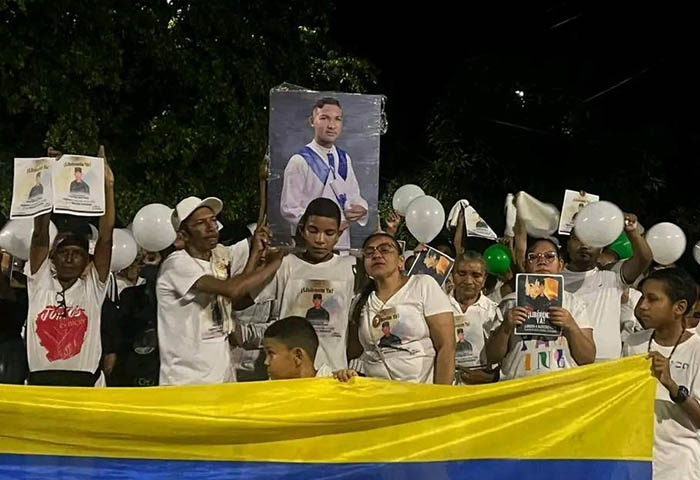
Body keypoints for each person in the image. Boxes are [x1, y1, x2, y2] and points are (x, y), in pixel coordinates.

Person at [156, 196, 282, 385]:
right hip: (187, 381)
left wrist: (255, 253)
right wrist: (275, 263)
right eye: (200, 223)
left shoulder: (215, 261)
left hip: (222, 375)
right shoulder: (177, 264)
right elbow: (233, 289)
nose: (211, 227)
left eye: (213, 220)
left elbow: (235, 299)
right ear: (183, 235)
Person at [25, 147, 114, 386]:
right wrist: (48, 177)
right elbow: (40, 235)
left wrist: (108, 186)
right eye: (63, 252)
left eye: (77, 254)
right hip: (41, 386)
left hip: (84, 386)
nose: (69, 258)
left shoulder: (92, 288)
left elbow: (106, 238)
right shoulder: (40, 282)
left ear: (87, 261)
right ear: (52, 258)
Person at [255, 198, 356, 372]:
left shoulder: (351, 267)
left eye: (329, 233)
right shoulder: (286, 264)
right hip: (289, 372)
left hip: (334, 372)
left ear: (339, 235)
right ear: (302, 229)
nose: (320, 240)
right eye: (313, 231)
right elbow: (244, 299)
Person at [622, 268, 700, 480]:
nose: (642, 306)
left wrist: (672, 386)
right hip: (635, 461)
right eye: (642, 297)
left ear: (679, 307)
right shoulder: (633, 342)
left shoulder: (697, 349)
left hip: (679, 467)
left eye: (652, 299)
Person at [350, 232, 455, 384]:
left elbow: (446, 346)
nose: (377, 255)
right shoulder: (360, 300)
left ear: (400, 261)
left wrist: (442, 394)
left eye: (385, 249)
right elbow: (355, 352)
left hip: (419, 391)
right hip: (376, 391)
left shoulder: (423, 285)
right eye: (369, 252)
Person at [485, 238, 596, 380]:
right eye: (533, 257)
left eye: (550, 256)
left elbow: (588, 358)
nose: (542, 261)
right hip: (518, 385)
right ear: (525, 265)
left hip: (561, 386)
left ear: (560, 265)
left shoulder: (574, 304)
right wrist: (506, 327)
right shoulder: (510, 302)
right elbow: (492, 357)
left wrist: (571, 326)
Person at [280, 97, 368, 250]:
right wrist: (322, 226)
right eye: (324, 118)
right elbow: (289, 208)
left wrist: (361, 209)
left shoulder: (344, 159)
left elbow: (354, 196)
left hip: (341, 243)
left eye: (337, 119)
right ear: (312, 121)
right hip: (312, 244)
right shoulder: (300, 161)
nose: (332, 125)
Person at [563, 214, 652, 361]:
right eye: (578, 239)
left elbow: (644, 258)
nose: (584, 245)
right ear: (568, 244)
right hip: (567, 365)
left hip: (608, 369)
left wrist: (632, 232)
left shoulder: (612, 277)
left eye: (592, 241)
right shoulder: (553, 280)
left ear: (601, 248)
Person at [449, 251, 502, 384]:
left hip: (480, 385)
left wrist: (488, 377)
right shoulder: (438, 306)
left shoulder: (494, 311)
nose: (468, 281)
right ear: (452, 275)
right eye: (462, 274)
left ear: (484, 279)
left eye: (476, 275)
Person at [262, 316, 333, 379]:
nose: (266, 362)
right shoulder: (269, 388)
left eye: (271, 353)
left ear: (297, 356)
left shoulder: (334, 386)